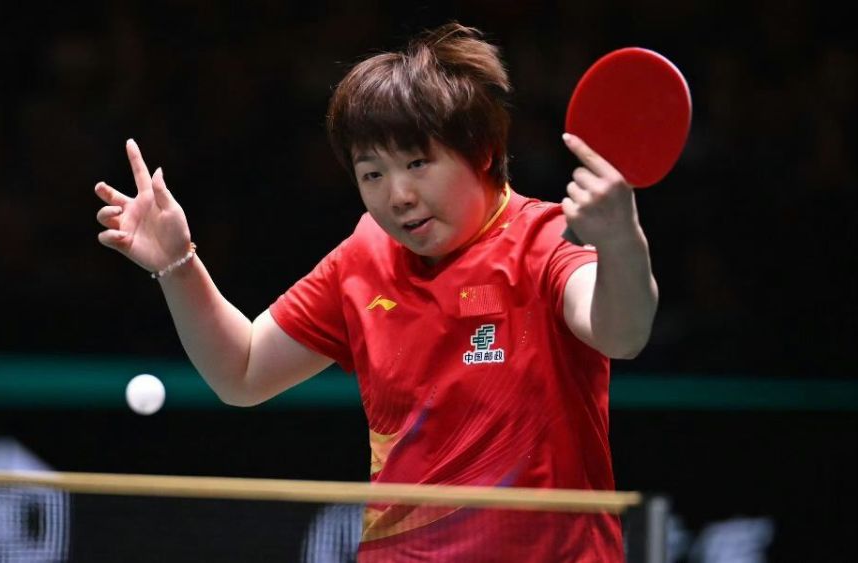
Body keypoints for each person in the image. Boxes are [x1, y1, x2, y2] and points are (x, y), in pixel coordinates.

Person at [95, 23, 658, 562]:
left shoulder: (542, 242)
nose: (399, 195)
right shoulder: (364, 258)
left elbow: (622, 333)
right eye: (373, 174)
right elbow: (241, 372)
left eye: (418, 162)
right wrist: (178, 264)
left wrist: (621, 241)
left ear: (483, 151)